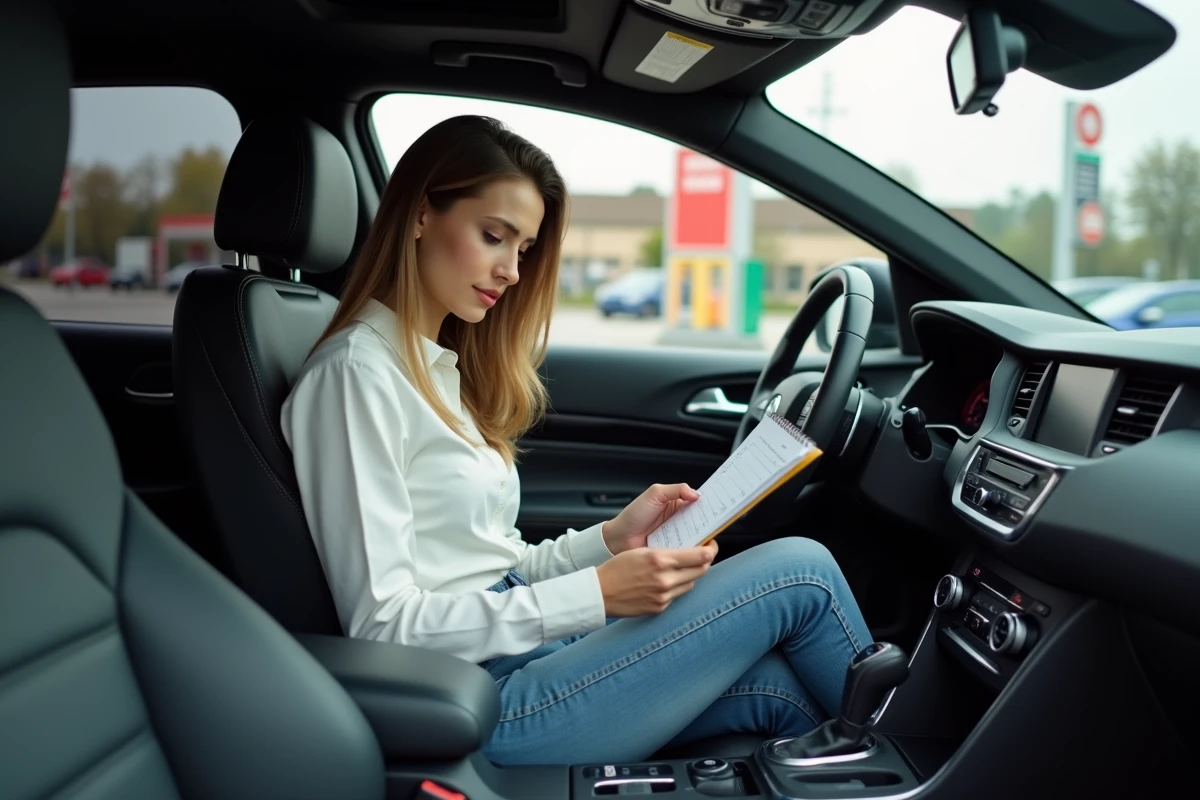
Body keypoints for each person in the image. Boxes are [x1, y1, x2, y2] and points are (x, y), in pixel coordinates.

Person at [282, 115, 874, 766]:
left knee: (783, 694)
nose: (511, 271)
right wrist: (597, 595)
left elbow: (492, 564)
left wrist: (611, 541)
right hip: (484, 699)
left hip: (527, 656)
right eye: (493, 237)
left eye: (524, 249)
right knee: (803, 574)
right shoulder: (356, 376)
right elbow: (383, 625)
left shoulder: (430, 366)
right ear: (422, 215)